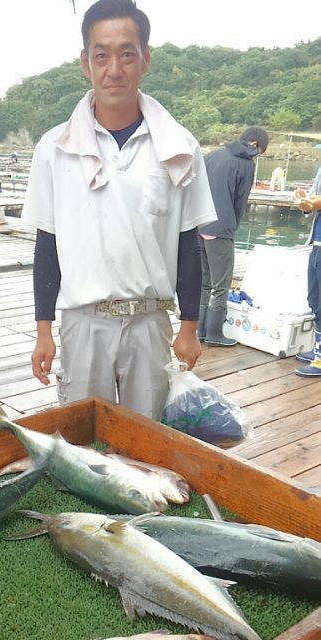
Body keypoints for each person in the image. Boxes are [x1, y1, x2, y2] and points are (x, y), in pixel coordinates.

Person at [21, 0, 216, 420]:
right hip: (82, 321)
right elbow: (47, 246)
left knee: (148, 441)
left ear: (145, 58)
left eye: (127, 53)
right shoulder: (54, 148)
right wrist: (42, 332)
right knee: (82, 439)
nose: (115, 69)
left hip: (150, 322)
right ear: (85, 63)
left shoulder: (179, 147)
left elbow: (189, 243)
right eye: (102, 55)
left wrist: (190, 328)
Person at [197, 126, 269, 346]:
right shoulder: (246, 164)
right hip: (221, 228)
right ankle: (215, 334)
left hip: (199, 225)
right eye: (261, 150)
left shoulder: (212, 155)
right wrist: (232, 226)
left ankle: (200, 331)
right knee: (222, 284)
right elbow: (241, 201)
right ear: (256, 144)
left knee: (204, 282)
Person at [293, 165, 321, 378]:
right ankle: (318, 350)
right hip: (317, 244)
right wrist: (304, 202)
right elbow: (312, 204)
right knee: (314, 300)